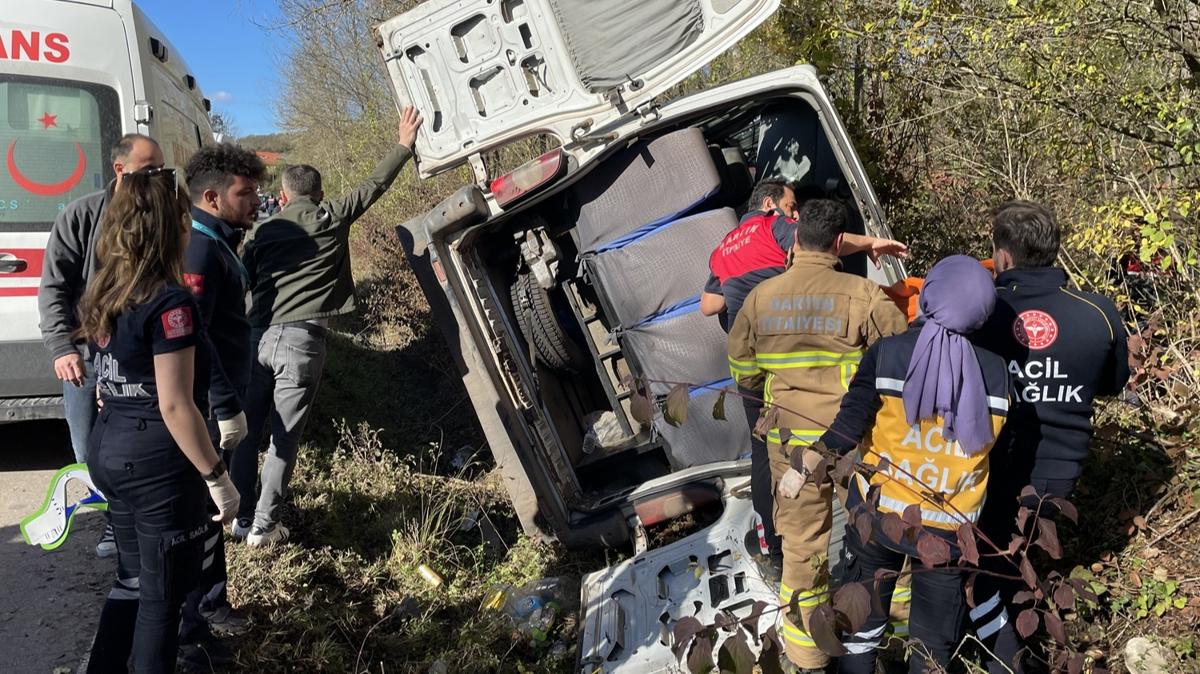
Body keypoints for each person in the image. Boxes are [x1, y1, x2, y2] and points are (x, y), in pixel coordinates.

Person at [789, 255, 1010, 673]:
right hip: (949, 530)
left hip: (878, 514)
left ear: (928, 295)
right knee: (932, 646)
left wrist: (805, 466)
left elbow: (848, 424)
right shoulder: (997, 372)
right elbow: (999, 448)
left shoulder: (887, 353)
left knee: (861, 625)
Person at [727, 198, 909, 673]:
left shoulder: (759, 299)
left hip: (790, 447)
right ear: (836, 243)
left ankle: (807, 657)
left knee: (803, 551)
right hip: (857, 443)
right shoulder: (864, 296)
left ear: (798, 238)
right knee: (882, 535)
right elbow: (899, 367)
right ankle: (901, 634)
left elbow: (743, 373)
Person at [230, 106, 424, 546]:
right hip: (302, 342)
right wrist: (403, 144)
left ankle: (241, 517)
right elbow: (373, 186)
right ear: (319, 194)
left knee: (247, 433)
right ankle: (264, 525)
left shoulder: (261, 231)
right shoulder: (331, 216)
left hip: (258, 339)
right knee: (283, 438)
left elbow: (242, 280)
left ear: (282, 197)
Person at [76, 167, 239, 674]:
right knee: (162, 599)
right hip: (156, 468)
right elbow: (175, 405)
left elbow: (108, 379)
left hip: (111, 452)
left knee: (132, 581)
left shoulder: (107, 289)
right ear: (171, 227)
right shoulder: (170, 303)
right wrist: (218, 478)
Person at [970, 201, 1131, 673]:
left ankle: (1008, 653)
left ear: (1001, 257)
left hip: (990, 471)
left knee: (991, 569)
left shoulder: (983, 313)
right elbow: (1112, 383)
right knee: (1030, 561)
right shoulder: (1097, 311)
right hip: (1063, 478)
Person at [39, 133, 166, 557]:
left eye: (162, 171)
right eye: (150, 170)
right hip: (86, 357)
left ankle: (140, 521)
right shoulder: (80, 216)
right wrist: (62, 347)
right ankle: (114, 521)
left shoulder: (157, 218)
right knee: (90, 446)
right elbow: (54, 288)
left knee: (141, 443)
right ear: (120, 170)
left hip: (138, 355)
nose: (158, 179)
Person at [175, 143, 266, 654]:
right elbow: (195, 336)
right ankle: (197, 624)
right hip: (210, 410)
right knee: (206, 515)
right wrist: (224, 403)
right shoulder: (200, 248)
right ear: (212, 197)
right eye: (245, 192)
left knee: (214, 513)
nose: (256, 200)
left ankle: (209, 604)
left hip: (220, 401)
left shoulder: (218, 238)